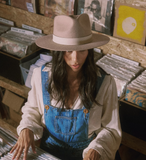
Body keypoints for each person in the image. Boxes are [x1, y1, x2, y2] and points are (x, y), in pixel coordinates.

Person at [10, 13, 122, 160]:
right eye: (69, 51)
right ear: (58, 51)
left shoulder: (105, 83)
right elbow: (33, 109)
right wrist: (27, 128)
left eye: (82, 50)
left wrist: (97, 149)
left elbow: (111, 128)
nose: (75, 59)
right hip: (50, 151)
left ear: (89, 50)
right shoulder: (40, 76)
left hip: (88, 153)